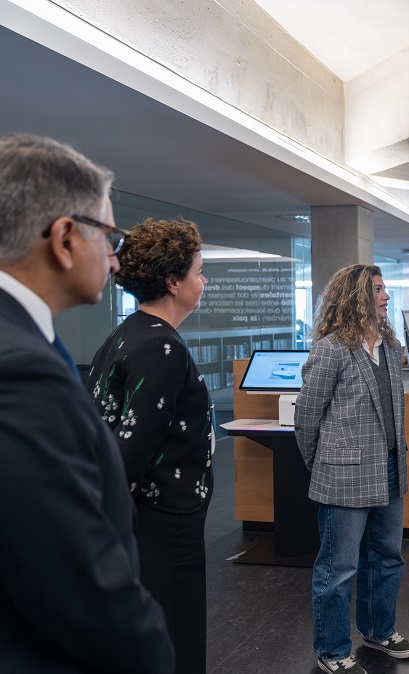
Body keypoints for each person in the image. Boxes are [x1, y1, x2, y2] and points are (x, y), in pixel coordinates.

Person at [0, 133, 174, 672]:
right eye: (110, 235)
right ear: (66, 238)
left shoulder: (26, 341)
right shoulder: (21, 371)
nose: (118, 261)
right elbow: (77, 581)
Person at [86, 218, 212, 673]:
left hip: (145, 522)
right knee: (176, 637)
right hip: (164, 525)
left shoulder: (127, 334)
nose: (204, 281)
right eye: (198, 272)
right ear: (173, 282)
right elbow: (132, 451)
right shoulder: (162, 347)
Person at [295, 264, 409, 674]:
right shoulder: (331, 349)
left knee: (388, 557)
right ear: (355, 296)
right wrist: (324, 466)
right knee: (339, 569)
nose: (386, 296)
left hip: (389, 470)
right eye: (378, 290)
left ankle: (379, 631)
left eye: (385, 289)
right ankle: (331, 651)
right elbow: (307, 418)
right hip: (342, 476)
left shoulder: (390, 347)